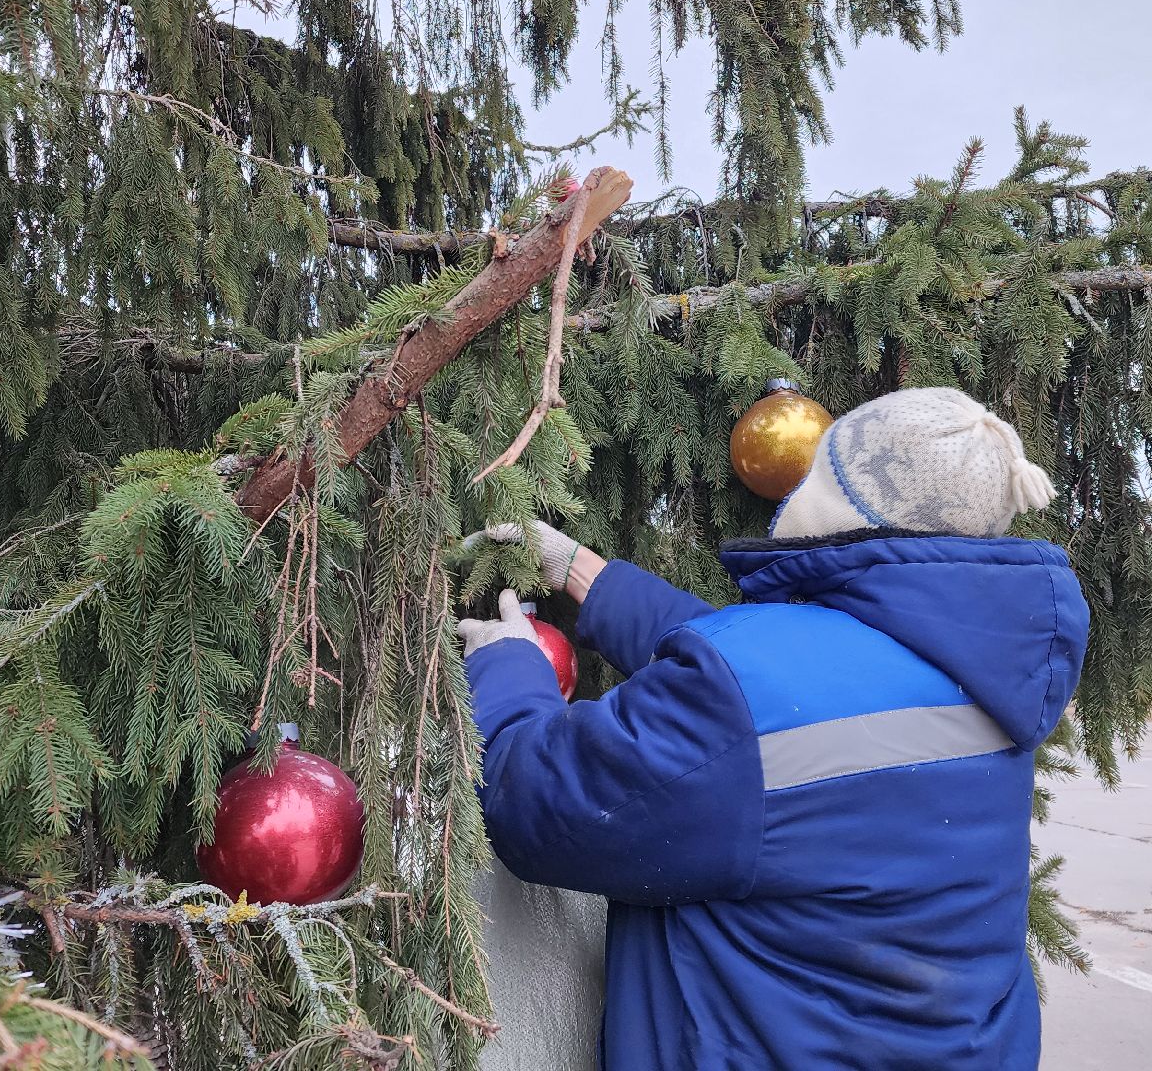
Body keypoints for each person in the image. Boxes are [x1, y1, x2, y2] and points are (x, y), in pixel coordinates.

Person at [456, 387, 1091, 1071]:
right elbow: (777, 682)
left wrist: (507, 663)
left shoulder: (751, 699)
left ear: (843, 501)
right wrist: (585, 572)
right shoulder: (982, 663)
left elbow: (537, 802)